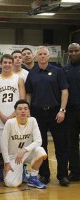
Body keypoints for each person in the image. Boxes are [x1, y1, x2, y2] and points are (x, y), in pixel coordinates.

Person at [25, 46, 69, 186]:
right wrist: (28, 111)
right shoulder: (32, 73)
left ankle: (62, 175)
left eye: (45, 54)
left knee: (60, 145)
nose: (42, 56)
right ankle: (44, 175)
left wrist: (62, 110)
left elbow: (65, 91)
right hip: (37, 113)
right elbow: (29, 94)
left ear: (48, 57)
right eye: (40, 54)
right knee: (41, 145)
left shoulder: (57, 72)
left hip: (55, 112)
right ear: (36, 57)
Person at [0, 54, 25, 183]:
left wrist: (12, 116)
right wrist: (1, 115)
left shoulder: (19, 79)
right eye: (4, 62)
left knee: (17, 145)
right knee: (1, 147)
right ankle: (2, 170)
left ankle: (22, 170)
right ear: (1, 64)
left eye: (9, 62)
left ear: (13, 64)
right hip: (0, 119)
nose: (7, 65)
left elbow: (22, 100)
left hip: (15, 118)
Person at [1, 99, 47, 189]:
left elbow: (39, 141)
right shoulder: (9, 123)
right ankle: (21, 171)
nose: (23, 111)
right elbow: (4, 144)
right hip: (14, 156)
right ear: (15, 112)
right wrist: (6, 162)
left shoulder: (32, 121)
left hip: (26, 153)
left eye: (26, 109)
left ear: (29, 111)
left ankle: (33, 178)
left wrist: (24, 150)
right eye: (20, 109)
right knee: (11, 183)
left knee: (41, 151)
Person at [63, 43, 80, 182]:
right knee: (71, 143)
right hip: (71, 112)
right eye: (71, 51)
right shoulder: (65, 70)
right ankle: (75, 171)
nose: (73, 53)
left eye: (76, 51)